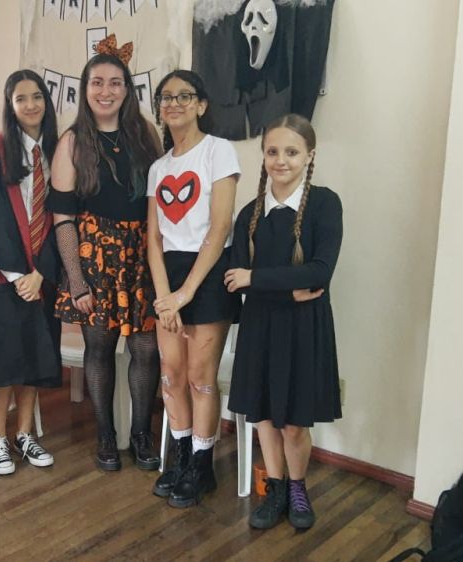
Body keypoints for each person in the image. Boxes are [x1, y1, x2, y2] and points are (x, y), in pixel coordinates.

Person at [224, 113, 343, 530]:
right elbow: (233, 279)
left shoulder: (325, 204)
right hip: (260, 327)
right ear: (263, 155)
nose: (281, 160)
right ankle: (274, 489)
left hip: (303, 330)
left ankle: (297, 487)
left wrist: (257, 280)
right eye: (272, 151)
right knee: (262, 416)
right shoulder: (250, 215)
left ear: (309, 155)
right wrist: (286, 289)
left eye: (292, 152)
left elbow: (319, 272)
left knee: (293, 423)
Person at [48, 45, 163, 472]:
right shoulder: (72, 142)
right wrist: (77, 281)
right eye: (97, 82)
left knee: (146, 348)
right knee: (99, 347)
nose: (106, 91)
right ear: (85, 89)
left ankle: (142, 434)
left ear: (127, 90)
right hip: (94, 254)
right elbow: (63, 218)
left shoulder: (146, 135)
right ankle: (105, 435)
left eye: (115, 83)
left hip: (141, 254)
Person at [146, 70, 240, 508]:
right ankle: (181, 457)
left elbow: (220, 228)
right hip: (168, 274)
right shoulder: (158, 167)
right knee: (172, 373)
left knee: (201, 377)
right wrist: (165, 296)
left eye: (184, 96)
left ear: (201, 105)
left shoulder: (219, 151)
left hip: (208, 272)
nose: (174, 103)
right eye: (166, 97)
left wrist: (185, 293)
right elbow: (154, 239)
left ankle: (203, 466)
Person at [0, 69, 62, 475]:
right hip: (5, 276)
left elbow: (64, 215)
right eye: (20, 98)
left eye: (37, 96)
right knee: (4, 358)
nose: (30, 104)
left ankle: (25, 433)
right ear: (10, 105)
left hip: (43, 275)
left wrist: (42, 272)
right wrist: (17, 274)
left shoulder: (60, 149)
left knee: (36, 355)